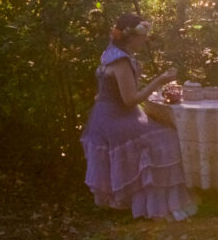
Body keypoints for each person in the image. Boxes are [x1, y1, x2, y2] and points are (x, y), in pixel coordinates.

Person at [80, 13, 197, 221]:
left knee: (160, 132)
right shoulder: (122, 60)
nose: (145, 41)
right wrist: (159, 81)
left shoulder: (111, 52)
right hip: (116, 119)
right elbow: (130, 99)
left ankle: (136, 200)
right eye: (143, 36)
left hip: (104, 115)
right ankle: (158, 204)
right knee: (167, 137)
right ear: (132, 37)